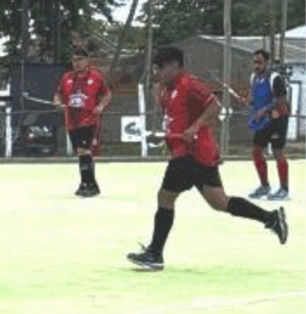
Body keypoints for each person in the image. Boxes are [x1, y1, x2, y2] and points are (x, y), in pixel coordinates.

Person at [126, 47, 288, 271]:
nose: (157, 72)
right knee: (219, 202)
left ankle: (155, 253)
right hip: (193, 153)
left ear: (174, 66)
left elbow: (215, 106)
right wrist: (165, 139)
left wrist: (195, 127)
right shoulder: (166, 89)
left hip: (191, 153)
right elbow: (175, 120)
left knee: (165, 197)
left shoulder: (189, 84)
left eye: (159, 68)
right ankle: (270, 218)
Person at [53, 48, 111, 197]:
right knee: (81, 153)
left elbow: (107, 94)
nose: (77, 63)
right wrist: (57, 102)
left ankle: (87, 184)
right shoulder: (67, 78)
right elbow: (58, 94)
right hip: (72, 121)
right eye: (74, 60)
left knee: (84, 151)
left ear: (87, 60)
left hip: (88, 119)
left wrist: (100, 107)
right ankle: (90, 184)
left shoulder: (95, 76)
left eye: (80, 59)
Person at [245, 49, 291, 201]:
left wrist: (264, 110)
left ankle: (284, 189)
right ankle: (265, 186)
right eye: (254, 62)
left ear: (267, 63)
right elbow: (254, 97)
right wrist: (248, 101)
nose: (256, 65)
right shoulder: (253, 77)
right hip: (263, 120)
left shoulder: (275, 78)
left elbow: (282, 100)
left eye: (260, 62)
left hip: (278, 119)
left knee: (277, 152)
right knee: (256, 151)